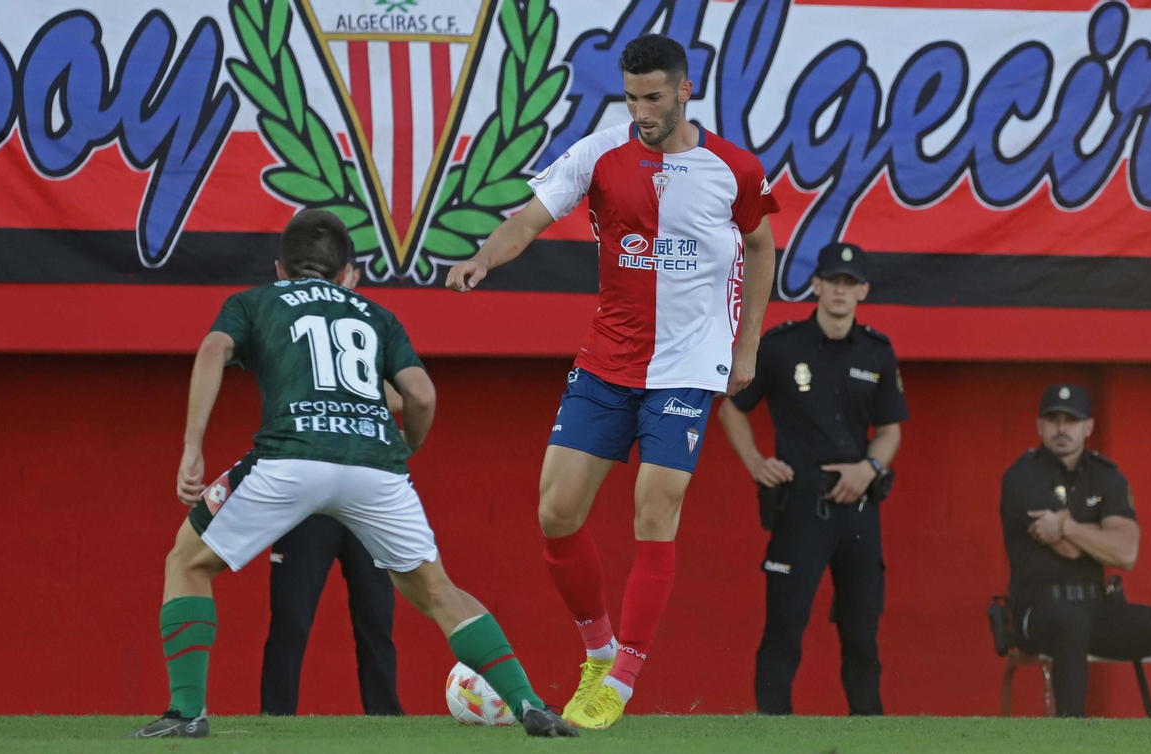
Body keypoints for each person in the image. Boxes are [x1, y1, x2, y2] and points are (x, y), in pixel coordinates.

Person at [126, 209, 576, 738]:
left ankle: (186, 713)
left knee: (187, 562)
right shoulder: (375, 314)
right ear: (346, 273)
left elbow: (213, 349)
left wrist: (192, 447)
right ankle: (529, 705)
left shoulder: (255, 300)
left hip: (291, 457)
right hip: (376, 467)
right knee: (438, 591)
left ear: (280, 268)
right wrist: (405, 447)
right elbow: (421, 395)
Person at [444, 34, 778, 729]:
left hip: (690, 364)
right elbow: (527, 221)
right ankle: (597, 652)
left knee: (655, 508)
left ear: (685, 90)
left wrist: (746, 343)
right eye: (630, 98)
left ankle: (621, 682)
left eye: (653, 98)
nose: (641, 111)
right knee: (556, 513)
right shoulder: (598, 153)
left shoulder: (735, 168)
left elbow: (759, 244)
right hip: (607, 361)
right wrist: (483, 258)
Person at [719, 242, 907, 716]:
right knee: (784, 628)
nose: (840, 290)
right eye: (832, 281)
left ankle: (869, 733)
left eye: (850, 283)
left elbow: (890, 431)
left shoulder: (878, 351)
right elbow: (731, 407)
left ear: (862, 290)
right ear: (816, 285)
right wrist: (755, 461)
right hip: (801, 507)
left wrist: (870, 469)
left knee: (862, 633)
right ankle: (773, 731)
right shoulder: (782, 346)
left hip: (859, 510)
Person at [1000, 384, 1151, 718]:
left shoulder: (1106, 475)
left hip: (1096, 606)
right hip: (1039, 608)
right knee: (1071, 622)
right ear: (1039, 425)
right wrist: (1098, 538)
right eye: (1054, 419)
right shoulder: (1023, 475)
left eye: (1071, 420)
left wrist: (1066, 525)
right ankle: (1072, 734)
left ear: (1088, 427)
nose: (1062, 428)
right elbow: (1069, 551)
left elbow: (1125, 553)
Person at [261, 514, 402, 716]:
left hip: (365, 510)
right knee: (290, 622)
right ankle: (276, 718)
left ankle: (386, 717)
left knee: (377, 619)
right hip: (309, 508)